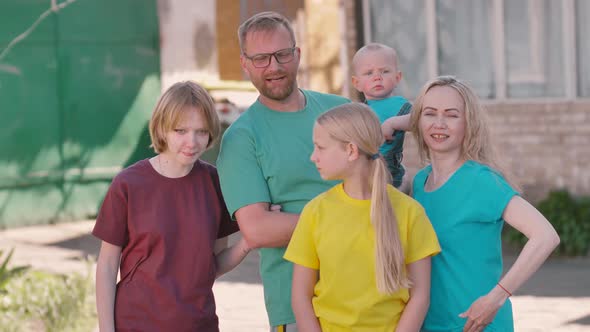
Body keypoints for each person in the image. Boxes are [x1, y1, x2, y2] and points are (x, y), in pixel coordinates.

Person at [216, 11, 349, 331]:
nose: (273, 66)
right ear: (245, 64)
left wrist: (291, 219)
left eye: (282, 54)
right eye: (260, 58)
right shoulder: (241, 139)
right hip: (299, 308)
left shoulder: (341, 111)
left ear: (297, 54)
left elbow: (378, 188)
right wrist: (351, 218)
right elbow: (258, 230)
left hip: (369, 293)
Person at [93, 81, 250, 332]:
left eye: (201, 131)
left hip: (199, 325)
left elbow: (212, 267)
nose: (192, 142)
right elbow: (107, 266)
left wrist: (248, 242)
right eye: (180, 131)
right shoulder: (128, 184)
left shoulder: (215, 182)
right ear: (162, 129)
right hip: (136, 324)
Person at [410, 76, 560, 332]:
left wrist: (496, 298)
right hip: (429, 324)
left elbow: (546, 236)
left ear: (469, 123)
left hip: (478, 324)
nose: (439, 123)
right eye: (430, 113)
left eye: (452, 115)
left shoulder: (482, 181)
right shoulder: (419, 182)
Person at [284, 103, 440, 331]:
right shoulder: (315, 212)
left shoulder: (410, 213)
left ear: (351, 150)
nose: (313, 157)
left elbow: (420, 297)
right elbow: (300, 298)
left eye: (320, 148)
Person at [351, 43, 412, 191]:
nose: (377, 77)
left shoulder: (399, 104)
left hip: (388, 175)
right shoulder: (358, 109)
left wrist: (393, 123)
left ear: (397, 78)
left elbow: (420, 120)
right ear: (356, 83)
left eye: (384, 71)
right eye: (369, 73)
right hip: (362, 173)